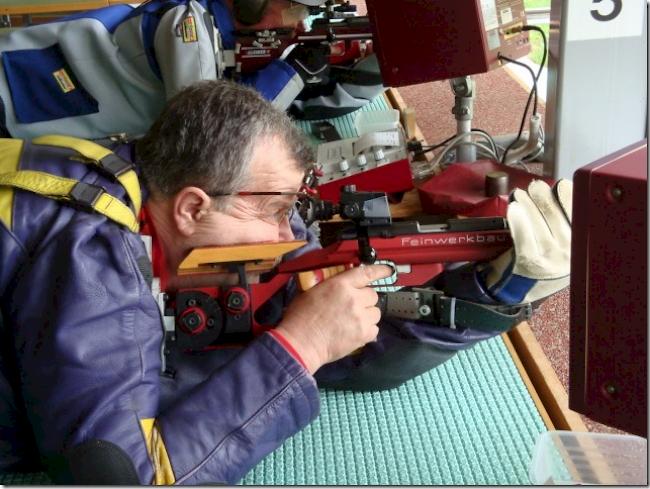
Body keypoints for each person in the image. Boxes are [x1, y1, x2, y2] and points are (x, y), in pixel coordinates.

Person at [0, 80, 573, 484]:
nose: (289, 235)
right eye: (274, 210)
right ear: (192, 207)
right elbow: (124, 477)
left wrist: (497, 291)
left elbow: (348, 345)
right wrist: (302, 346)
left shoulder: (129, 170)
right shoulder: (93, 252)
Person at [0, 0, 382, 140]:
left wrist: (381, 67)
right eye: (296, 11)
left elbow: (305, 108)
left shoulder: (228, 39)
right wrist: (292, 72)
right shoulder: (189, 26)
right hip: (17, 93)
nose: (300, 25)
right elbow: (211, 125)